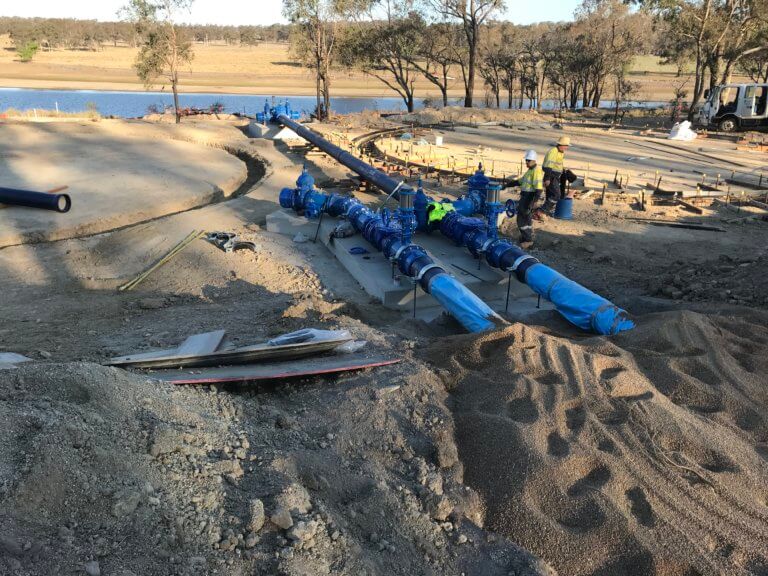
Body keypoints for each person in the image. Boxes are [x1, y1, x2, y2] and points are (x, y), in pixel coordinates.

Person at [505, 149, 543, 249]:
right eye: (526, 160)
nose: (526, 162)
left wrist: (534, 202)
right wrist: (508, 184)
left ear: (534, 160)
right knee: (526, 219)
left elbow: (539, 189)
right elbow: (520, 182)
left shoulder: (536, 172)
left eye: (528, 160)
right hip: (526, 197)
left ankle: (528, 240)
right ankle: (527, 237)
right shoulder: (529, 171)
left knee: (521, 219)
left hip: (529, 198)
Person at [539, 135, 570, 217]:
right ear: (561, 144)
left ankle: (545, 212)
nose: (566, 148)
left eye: (567, 146)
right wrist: (547, 178)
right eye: (565, 146)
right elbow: (548, 165)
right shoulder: (553, 151)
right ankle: (542, 211)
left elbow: (558, 165)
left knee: (550, 195)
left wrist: (564, 172)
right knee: (557, 195)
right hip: (551, 176)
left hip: (555, 176)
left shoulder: (560, 152)